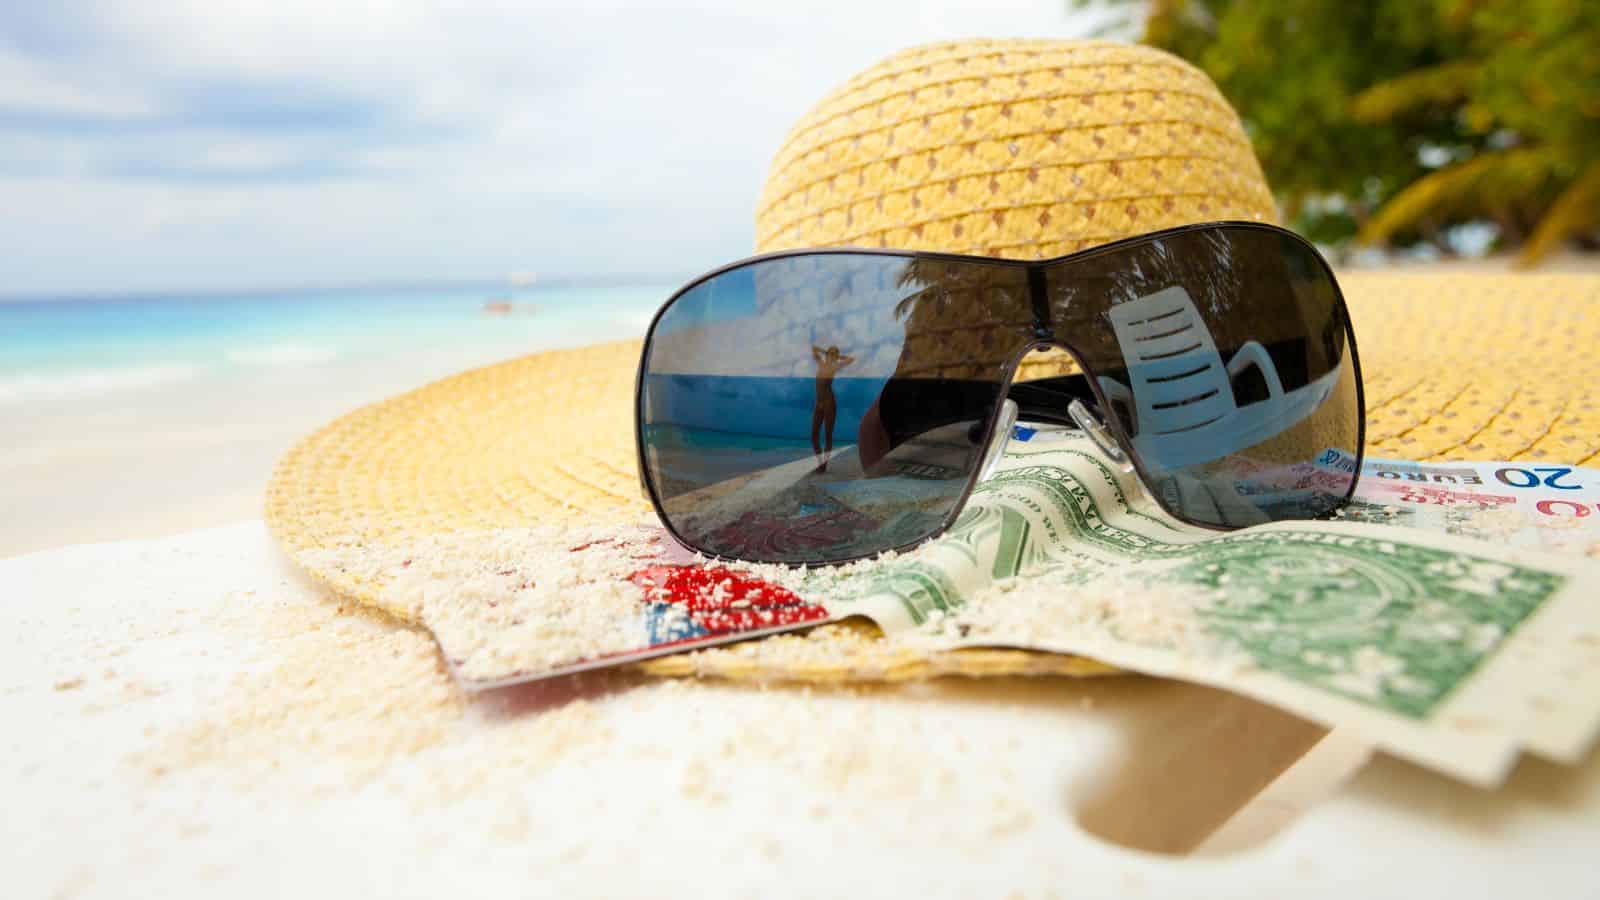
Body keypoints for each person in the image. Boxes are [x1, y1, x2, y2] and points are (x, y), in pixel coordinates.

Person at [810, 345, 854, 471]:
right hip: (818, 404)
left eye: (834, 354)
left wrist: (837, 357)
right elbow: (814, 348)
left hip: (830, 404)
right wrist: (826, 352)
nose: (831, 356)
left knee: (828, 436)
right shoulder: (821, 364)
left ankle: (823, 466)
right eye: (830, 354)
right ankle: (820, 463)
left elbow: (851, 359)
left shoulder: (835, 366)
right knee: (814, 436)